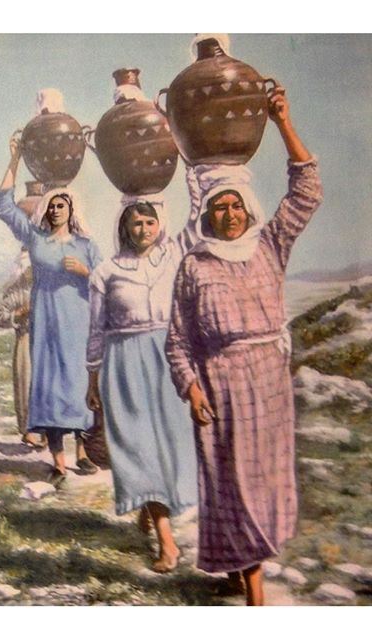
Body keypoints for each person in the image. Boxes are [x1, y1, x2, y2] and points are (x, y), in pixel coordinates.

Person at [165, 88, 323, 605]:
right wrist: (190, 386)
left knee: (265, 484)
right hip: (219, 385)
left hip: (269, 385)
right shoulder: (194, 265)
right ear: (207, 215)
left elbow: (307, 192)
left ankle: (245, 568)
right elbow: (178, 338)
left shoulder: (270, 245)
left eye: (236, 205)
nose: (229, 214)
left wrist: (282, 121)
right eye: (219, 207)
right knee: (229, 484)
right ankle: (254, 592)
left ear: (247, 208)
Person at [85, 175, 200, 572]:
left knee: (170, 446)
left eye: (150, 222)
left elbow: (199, 218)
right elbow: (96, 330)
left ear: (160, 224)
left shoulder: (175, 256)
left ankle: (151, 510)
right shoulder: (105, 271)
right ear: (124, 225)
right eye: (136, 222)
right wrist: (93, 379)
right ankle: (167, 544)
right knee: (139, 449)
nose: (144, 229)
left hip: (168, 358)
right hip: (123, 363)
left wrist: (191, 173)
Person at [0, 137, 102, 487]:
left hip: (78, 321)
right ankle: (58, 461)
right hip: (45, 321)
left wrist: (85, 273)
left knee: (77, 382)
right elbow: (3, 205)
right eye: (51, 206)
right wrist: (14, 158)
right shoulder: (35, 239)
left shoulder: (86, 246)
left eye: (62, 205)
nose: (56, 210)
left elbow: (105, 283)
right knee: (50, 385)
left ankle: (82, 453)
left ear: (72, 209)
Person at [0, 259, 46, 449]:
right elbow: (0, 317)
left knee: (45, 386)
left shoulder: (47, 287)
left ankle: (47, 431)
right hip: (25, 340)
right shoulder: (16, 291)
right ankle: (27, 431)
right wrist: (19, 313)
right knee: (25, 386)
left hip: (46, 342)